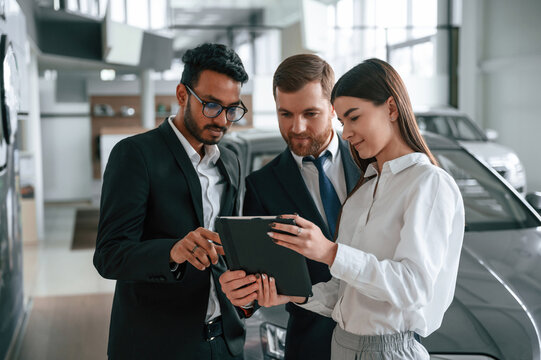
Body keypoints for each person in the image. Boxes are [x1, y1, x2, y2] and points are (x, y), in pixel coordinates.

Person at [258, 58, 465, 359]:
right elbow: (346, 294)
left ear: (392, 109)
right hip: (341, 346)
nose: (346, 133)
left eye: (354, 117)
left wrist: (329, 252)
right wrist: (293, 295)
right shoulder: (364, 189)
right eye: (342, 121)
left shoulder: (428, 184)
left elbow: (414, 288)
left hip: (386, 351)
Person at [93, 43, 250, 360]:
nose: (222, 120)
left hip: (224, 342)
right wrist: (173, 251)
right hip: (158, 345)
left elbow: (231, 248)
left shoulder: (231, 160)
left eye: (232, 109)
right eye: (211, 105)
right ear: (182, 95)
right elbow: (109, 255)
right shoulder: (135, 155)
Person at [219, 54, 361, 360]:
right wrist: (243, 296)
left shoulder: (370, 164)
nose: (297, 127)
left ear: (334, 107)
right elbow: (253, 279)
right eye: (285, 114)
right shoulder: (262, 184)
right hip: (311, 346)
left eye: (310, 113)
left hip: (379, 339)